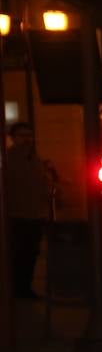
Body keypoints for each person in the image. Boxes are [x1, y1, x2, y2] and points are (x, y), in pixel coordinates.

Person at [4, 123, 54, 299]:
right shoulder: (7, 160)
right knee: (16, 254)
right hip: (15, 216)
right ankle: (15, 288)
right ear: (13, 138)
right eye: (22, 136)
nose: (26, 140)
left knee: (30, 254)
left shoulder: (36, 161)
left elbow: (43, 186)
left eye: (29, 136)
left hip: (35, 215)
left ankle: (24, 288)